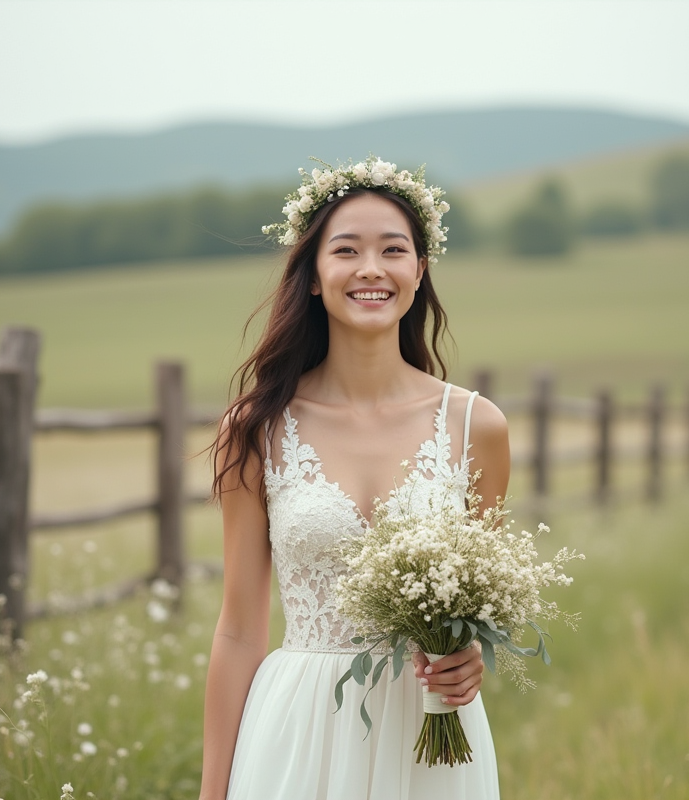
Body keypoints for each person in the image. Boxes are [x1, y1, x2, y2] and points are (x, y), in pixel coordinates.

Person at [200, 157, 510, 800]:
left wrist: (468, 660)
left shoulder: (476, 425)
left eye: (393, 249)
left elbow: (475, 620)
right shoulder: (257, 428)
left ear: (419, 272)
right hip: (297, 728)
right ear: (314, 276)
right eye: (346, 250)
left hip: (432, 740)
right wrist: (212, 792)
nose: (371, 268)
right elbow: (238, 629)